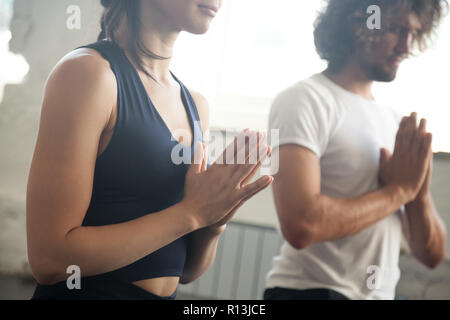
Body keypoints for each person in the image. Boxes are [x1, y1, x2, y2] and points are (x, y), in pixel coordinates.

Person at [26, 0, 273, 300]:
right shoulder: (88, 74)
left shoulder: (196, 105)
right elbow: (50, 260)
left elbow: (187, 271)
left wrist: (213, 220)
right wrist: (191, 214)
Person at [264, 0, 447, 300]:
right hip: (311, 293)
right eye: (395, 30)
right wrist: (399, 192)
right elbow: (301, 225)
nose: (406, 46)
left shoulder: (395, 123)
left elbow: (432, 256)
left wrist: (418, 192)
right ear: (357, 23)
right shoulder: (304, 99)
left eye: (413, 34)